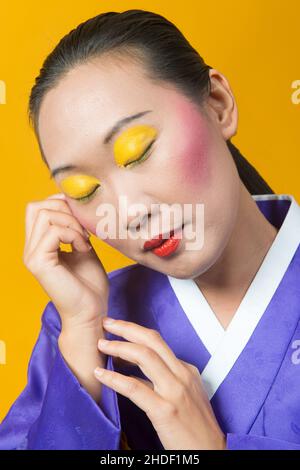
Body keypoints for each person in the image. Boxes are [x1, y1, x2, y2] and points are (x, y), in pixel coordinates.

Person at [1, 9, 300, 450]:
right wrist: (84, 334)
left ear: (217, 105)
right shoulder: (85, 325)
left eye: (138, 152)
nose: (128, 212)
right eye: (84, 189)